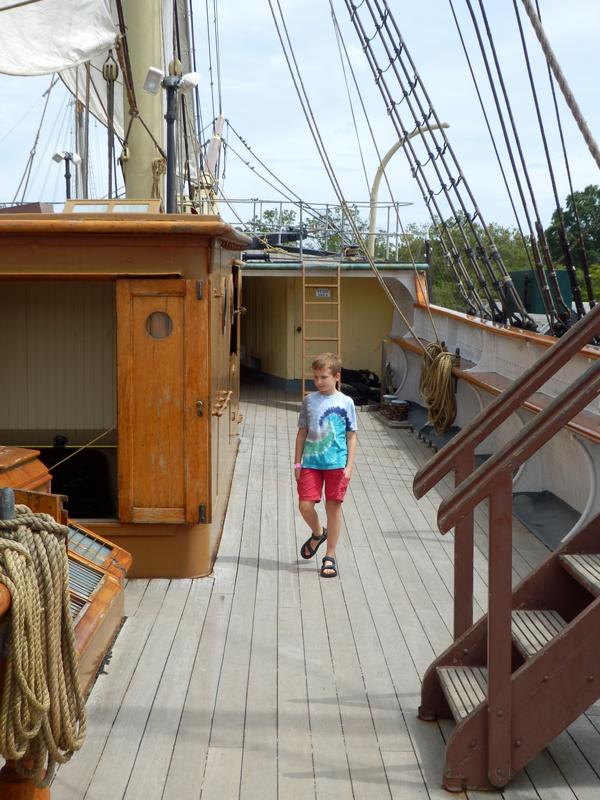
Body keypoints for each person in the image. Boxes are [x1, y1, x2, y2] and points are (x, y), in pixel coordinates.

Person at [294, 352, 357, 578]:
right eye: (316, 377)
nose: (319, 382)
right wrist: (297, 464)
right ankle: (318, 533)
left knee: (333, 508)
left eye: (324, 377)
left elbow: (351, 436)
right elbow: (301, 433)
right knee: (305, 506)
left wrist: (349, 467)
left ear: (336, 376)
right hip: (311, 463)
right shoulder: (309, 401)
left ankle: (329, 555)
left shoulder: (346, 403)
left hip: (336, 464)